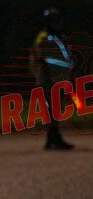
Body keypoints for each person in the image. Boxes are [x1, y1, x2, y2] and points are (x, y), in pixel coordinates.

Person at [30, 8, 74, 151]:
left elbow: (65, 55)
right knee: (52, 110)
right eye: (54, 20)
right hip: (48, 79)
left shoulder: (59, 36)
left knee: (55, 110)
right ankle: (55, 139)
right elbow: (40, 57)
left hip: (60, 78)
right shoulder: (44, 36)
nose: (58, 23)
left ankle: (51, 140)